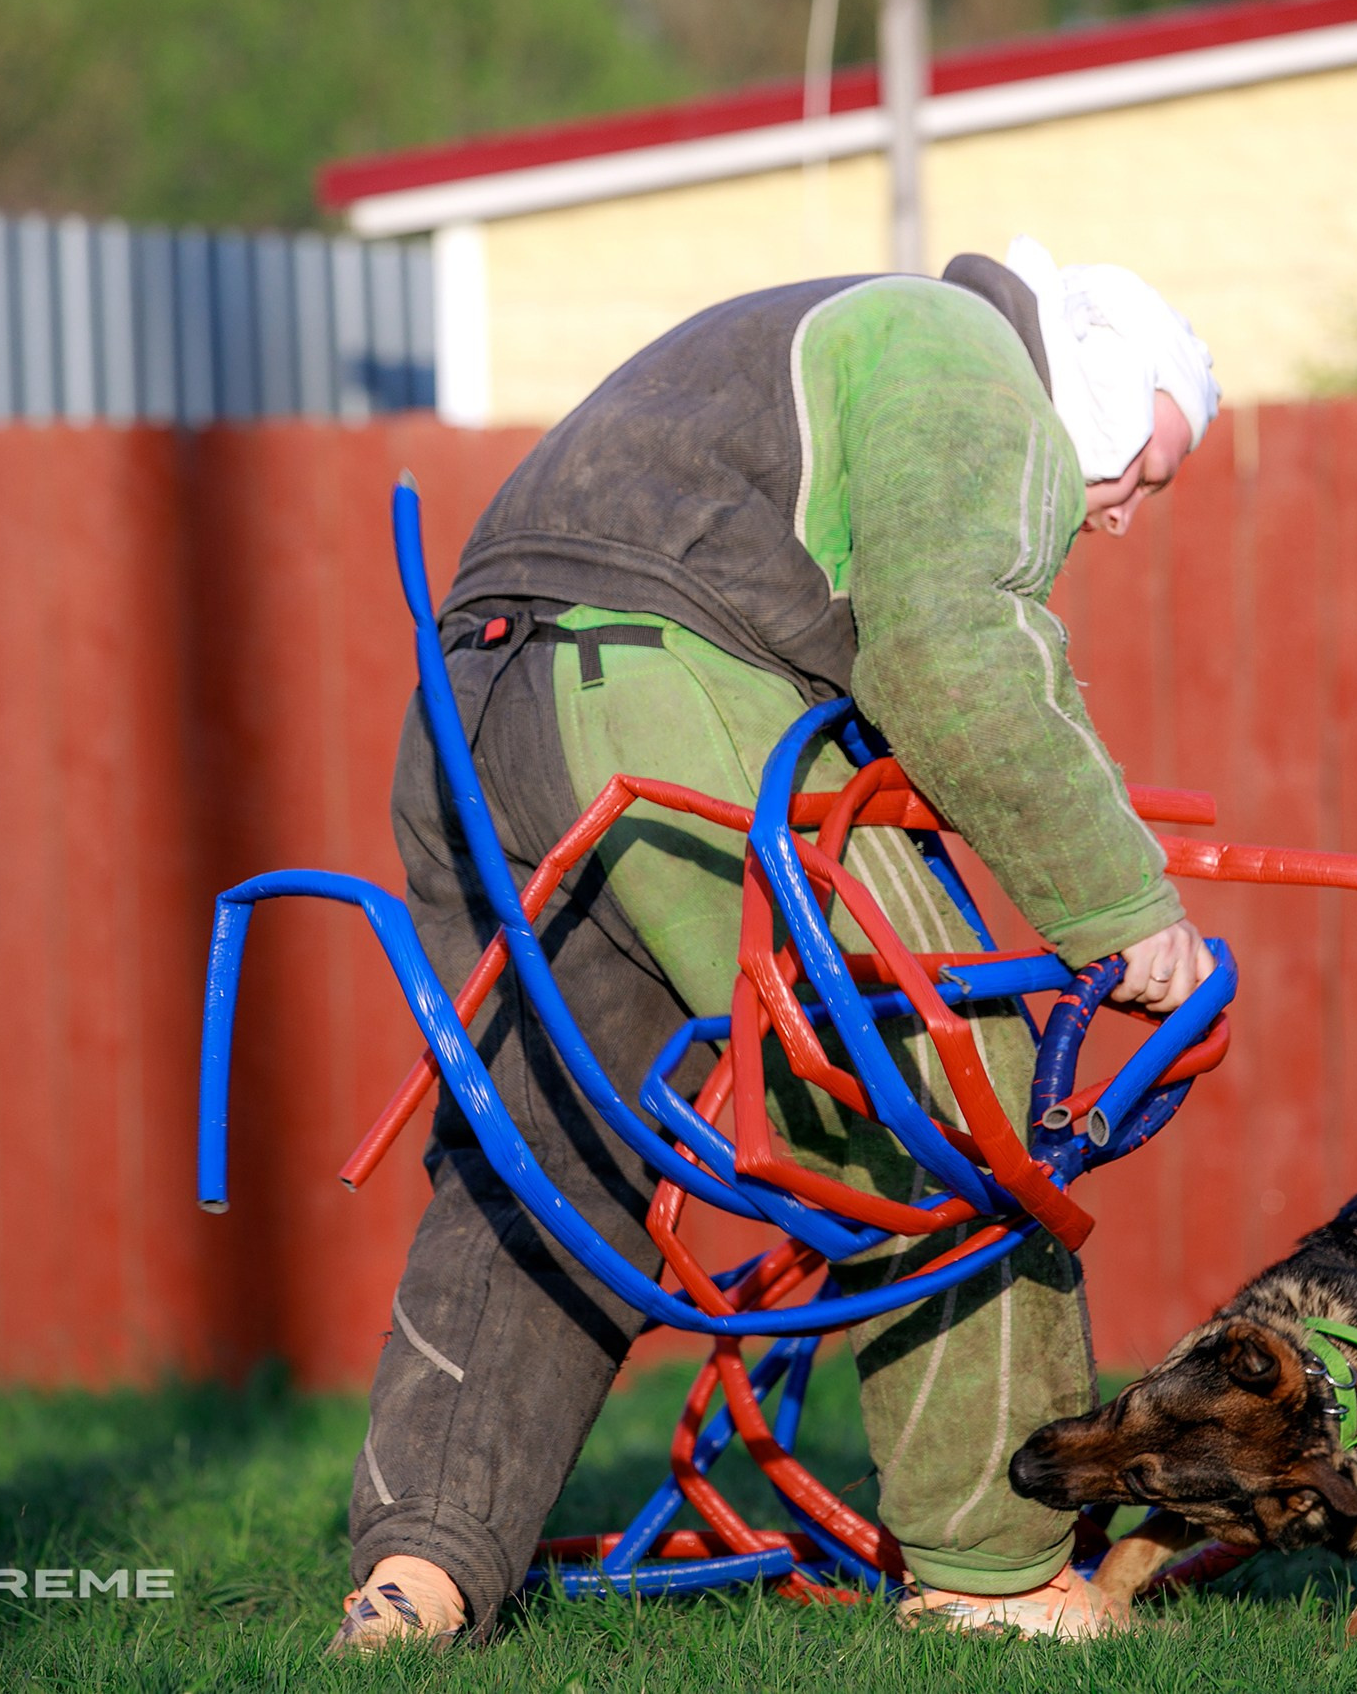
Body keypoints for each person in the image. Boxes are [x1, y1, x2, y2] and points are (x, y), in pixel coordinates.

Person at [331, 236, 1222, 1652]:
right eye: (1146, 470)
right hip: (668, 693)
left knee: (550, 1155)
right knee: (952, 1089)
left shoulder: (839, 338)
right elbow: (957, 644)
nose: (1121, 515)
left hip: (474, 714)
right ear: (1102, 383)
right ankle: (993, 1580)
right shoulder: (975, 359)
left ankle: (419, 1578)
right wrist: (1123, 907)